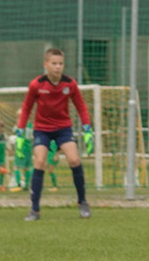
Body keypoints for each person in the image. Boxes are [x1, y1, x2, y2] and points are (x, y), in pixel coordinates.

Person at [15, 46, 94, 220]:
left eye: (61, 63)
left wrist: (87, 128)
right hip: (42, 129)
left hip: (63, 129)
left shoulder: (70, 84)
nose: (58, 67)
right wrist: (20, 131)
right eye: (54, 63)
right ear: (46, 65)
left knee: (74, 159)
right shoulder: (37, 84)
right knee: (40, 161)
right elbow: (27, 107)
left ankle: (83, 202)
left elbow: (81, 106)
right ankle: (34, 210)